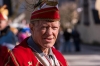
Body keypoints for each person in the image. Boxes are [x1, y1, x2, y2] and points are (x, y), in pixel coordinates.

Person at [3, 0, 68, 66]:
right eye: (44, 27)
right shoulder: (17, 58)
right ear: (32, 28)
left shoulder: (60, 58)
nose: (49, 33)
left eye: (54, 28)